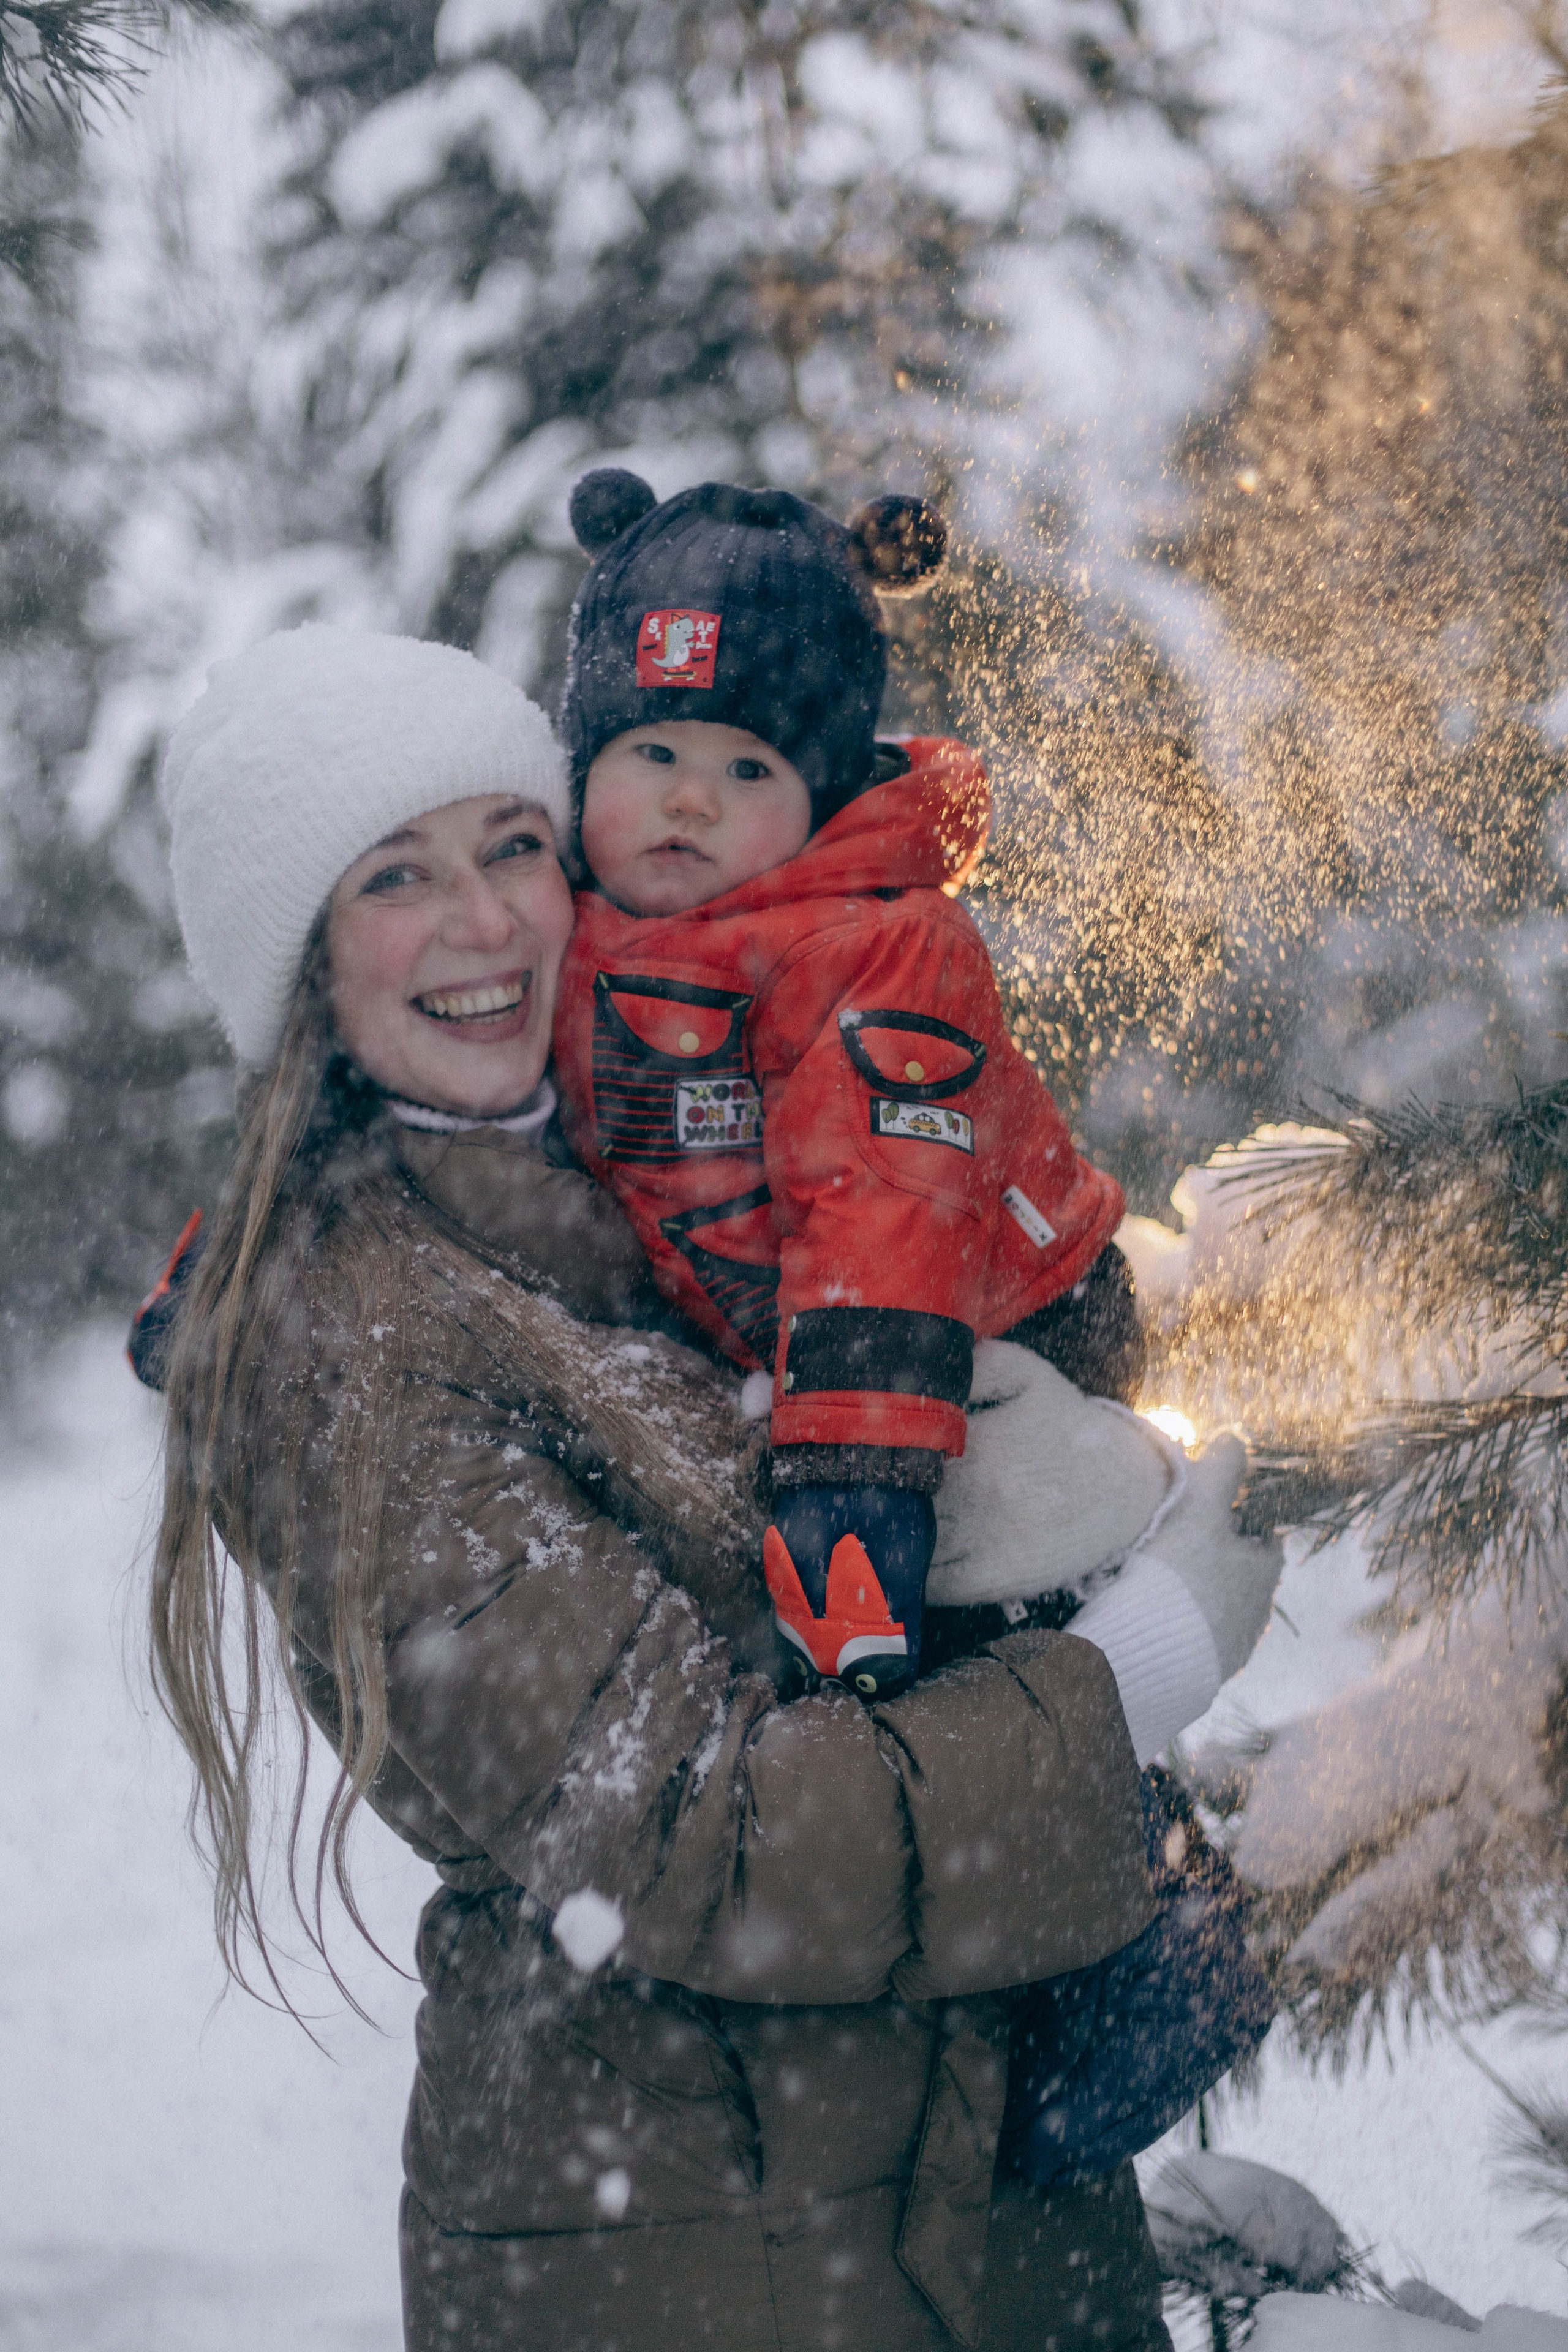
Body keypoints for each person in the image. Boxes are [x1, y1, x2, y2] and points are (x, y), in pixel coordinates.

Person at [143, 623, 1273, 2352]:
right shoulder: (341, 1336)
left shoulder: (669, 1177)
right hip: (691, 2245)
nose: (484, 924)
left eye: (514, 847)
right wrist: (1132, 1671)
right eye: (396, 879)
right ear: (300, 968)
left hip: (939, 2208)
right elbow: (698, 1835)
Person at [551, 469, 1136, 1697]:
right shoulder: (567, 927)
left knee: (981, 1651)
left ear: (818, 799)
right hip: (792, 1341)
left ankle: (1129, 1833)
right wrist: (250, 1251)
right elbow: (394, 1079)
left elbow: (885, 1205)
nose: (690, 797)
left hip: (994, 1323)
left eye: (750, 770)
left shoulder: (870, 939)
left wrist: (855, 1493)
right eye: (650, 749)